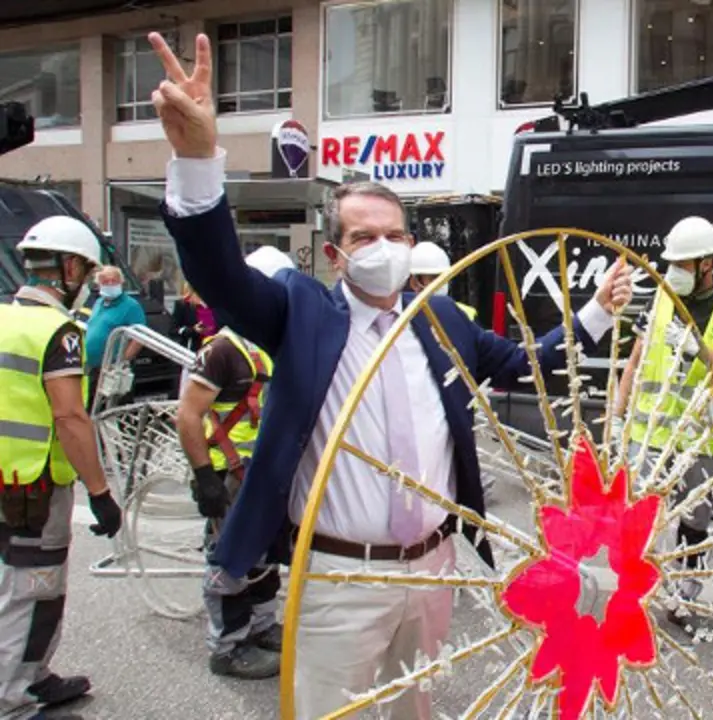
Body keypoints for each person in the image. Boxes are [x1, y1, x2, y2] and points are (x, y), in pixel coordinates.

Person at [146, 32, 633, 718]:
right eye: (362, 237)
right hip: (340, 574)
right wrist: (197, 159)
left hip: (433, 570)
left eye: (394, 235)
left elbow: (522, 360)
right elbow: (220, 274)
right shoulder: (301, 313)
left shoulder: (440, 321)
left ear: (412, 243)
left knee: (416, 708)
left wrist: (593, 315)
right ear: (335, 255)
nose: (382, 248)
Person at [0, 216, 123, 720]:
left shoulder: (3, 317)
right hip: (35, 486)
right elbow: (70, 417)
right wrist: (99, 491)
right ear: (69, 267)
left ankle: (34, 676)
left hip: (6, 478)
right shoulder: (60, 332)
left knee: (13, 584)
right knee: (33, 590)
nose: (89, 283)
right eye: (87, 272)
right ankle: (12, 698)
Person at [615, 216, 713, 625]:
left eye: (683, 264)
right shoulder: (659, 303)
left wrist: (700, 351)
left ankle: (685, 596)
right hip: (648, 435)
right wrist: (616, 420)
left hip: (699, 442)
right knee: (638, 521)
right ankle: (635, 595)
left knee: (694, 522)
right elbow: (633, 364)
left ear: (707, 263)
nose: (673, 272)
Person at [175, 249, 292, 681]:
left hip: (267, 473)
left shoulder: (272, 346)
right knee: (229, 561)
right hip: (233, 476)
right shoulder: (222, 350)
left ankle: (262, 627)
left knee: (265, 556)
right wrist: (205, 477)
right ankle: (227, 647)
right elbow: (188, 415)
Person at [84, 266, 145, 404]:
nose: (110, 284)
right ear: (98, 284)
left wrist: (121, 362)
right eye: (106, 281)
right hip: (93, 368)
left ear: (121, 282)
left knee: (112, 409)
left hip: (112, 371)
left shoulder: (131, 306)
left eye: (114, 281)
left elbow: (139, 338)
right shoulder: (99, 302)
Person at [408, 241, 478, 321]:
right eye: (434, 278)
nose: (442, 283)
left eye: (445, 277)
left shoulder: (466, 314)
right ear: (414, 283)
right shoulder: (402, 320)